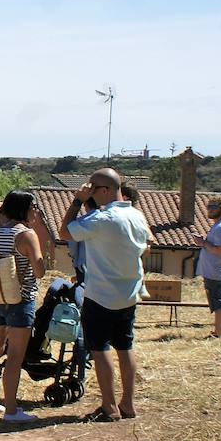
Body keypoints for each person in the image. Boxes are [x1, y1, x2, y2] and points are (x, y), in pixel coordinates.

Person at [60, 169, 149, 421]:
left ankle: (109, 406)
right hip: (129, 293)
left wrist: (77, 201)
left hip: (100, 294)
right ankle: (128, 403)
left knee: (100, 350)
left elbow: (65, 232)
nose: (90, 192)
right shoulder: (137, 216)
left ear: (106, 190)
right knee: (126, 347)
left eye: (93, 188)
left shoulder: (101, 219)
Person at [0, 190, 46, 421]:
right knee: (15, 355)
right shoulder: (26, 235)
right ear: (25, 209)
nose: (36, 211)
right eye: (34, 207)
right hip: (20, 299)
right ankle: (12, 409)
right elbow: (39, 270)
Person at [199, 197, 221, 338]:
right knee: (216, 301)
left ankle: (218, 334)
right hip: (214, 271)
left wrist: (203, 243)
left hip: (216, 272)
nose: (210, 209)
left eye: (213, 206)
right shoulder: (219, 225)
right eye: (208, 206)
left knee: (218, 302)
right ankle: (216, 332)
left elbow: (220, 250)